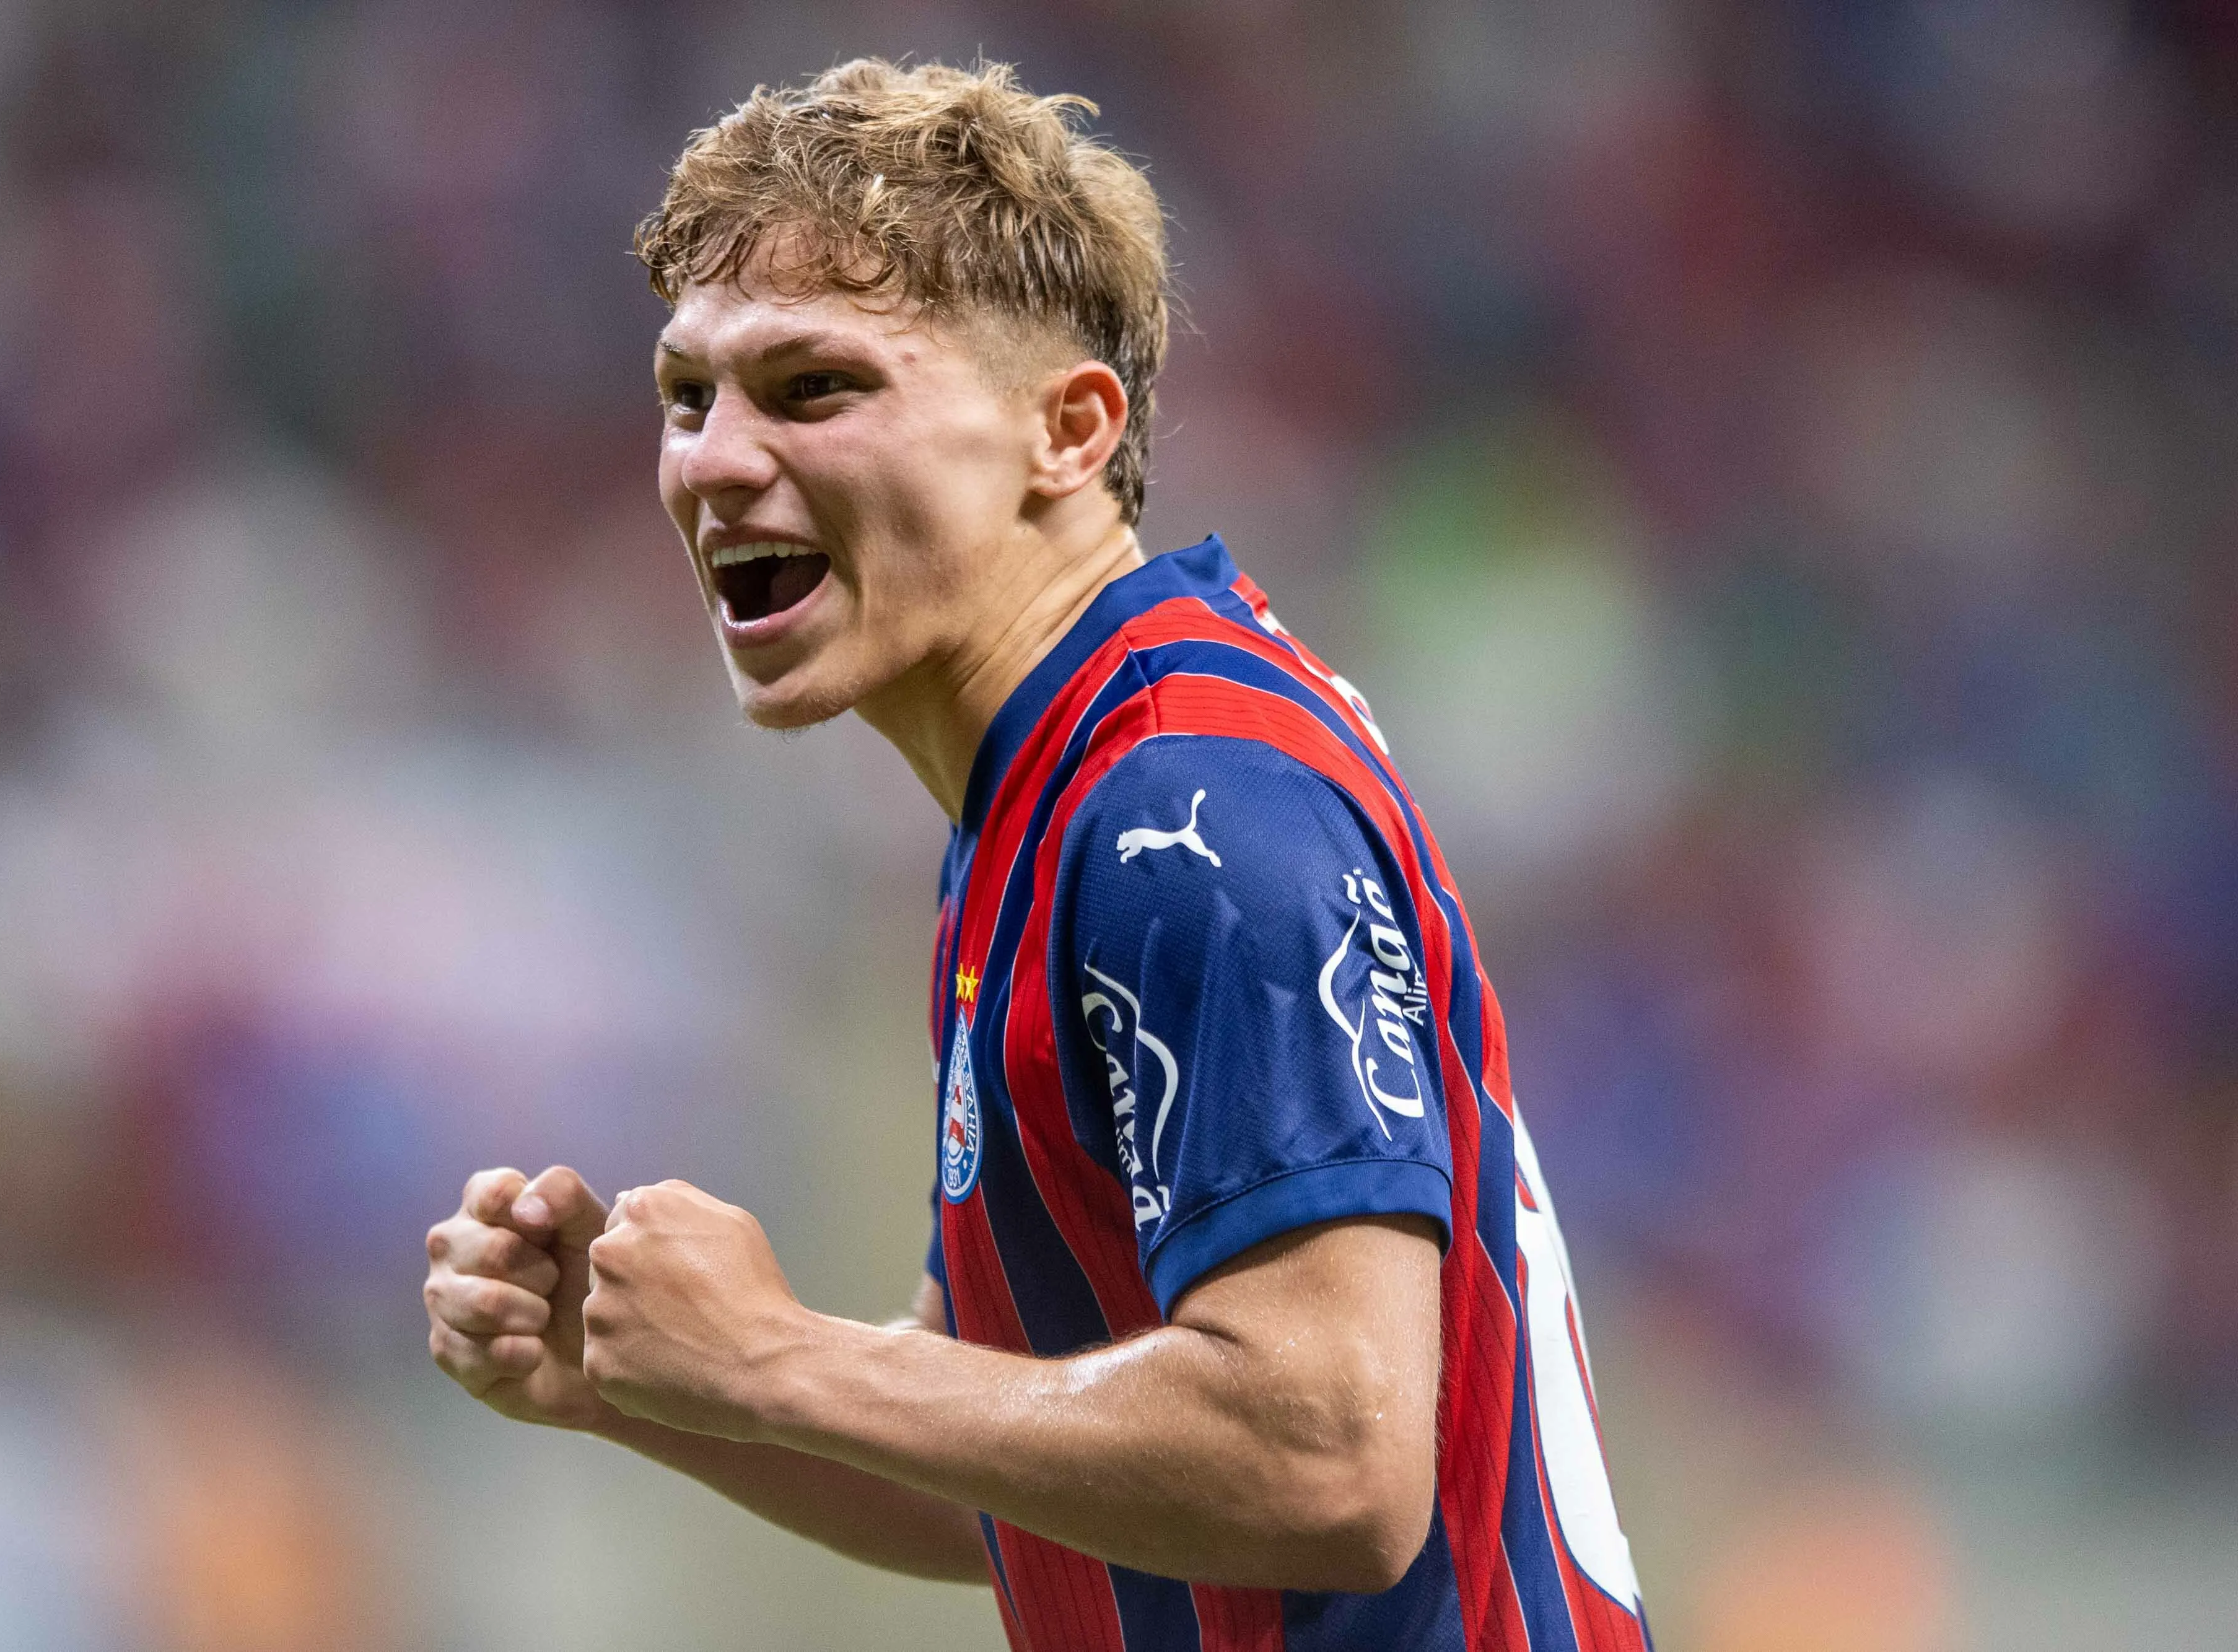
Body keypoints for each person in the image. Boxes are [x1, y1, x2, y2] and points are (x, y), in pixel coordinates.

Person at [421, 58, 1651, 1652]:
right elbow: (1023, 1461)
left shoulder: (1182, 814)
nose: (712, 460)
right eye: (686, 395)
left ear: (1066, 432)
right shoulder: (1038, 808)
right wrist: (647, 1386)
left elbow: (1329, 1460)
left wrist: (777, 1355)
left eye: (813, 388)